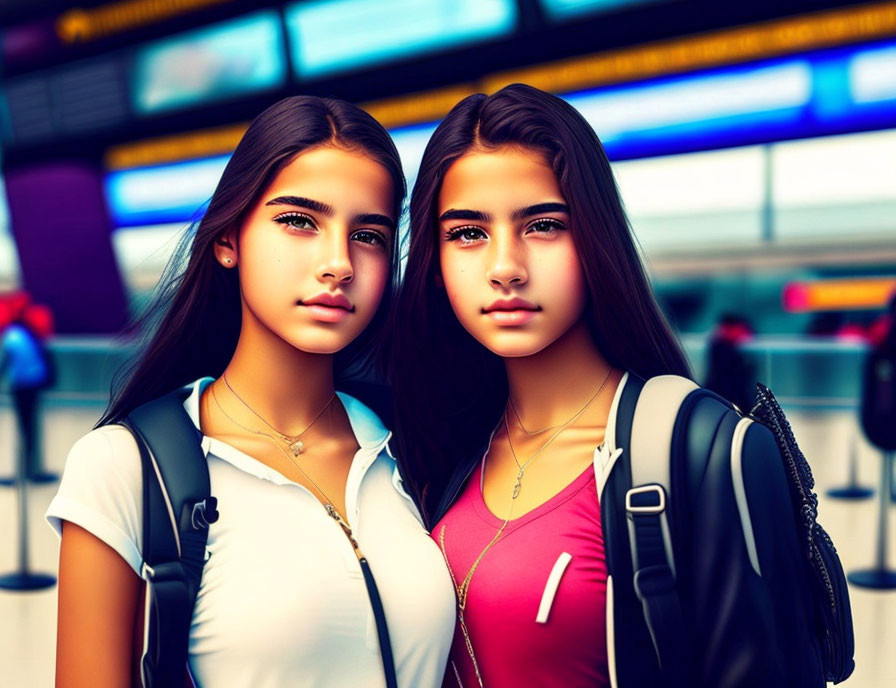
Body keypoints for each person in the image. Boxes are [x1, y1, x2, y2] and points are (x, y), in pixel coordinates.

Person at [389, 84, 823, 687]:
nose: (504, 267)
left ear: (594, 236)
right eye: (467, 233)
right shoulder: (438, 441)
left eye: (542, 225)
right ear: (432, 260)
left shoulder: (696, 453)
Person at [46, 96, 455, 687]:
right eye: (299, 221)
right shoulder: (127, 467)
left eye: (368, 234)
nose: (338, 262)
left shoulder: (409, 446)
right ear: (228, 238)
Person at [0, 299, 57, 483]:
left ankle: (25, 474)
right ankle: (32, 471)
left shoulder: (11, 336)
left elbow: (6, 363)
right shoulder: (27, 333)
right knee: (30, 429)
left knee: (25, 430)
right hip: (34, 385)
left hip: (23, 388)